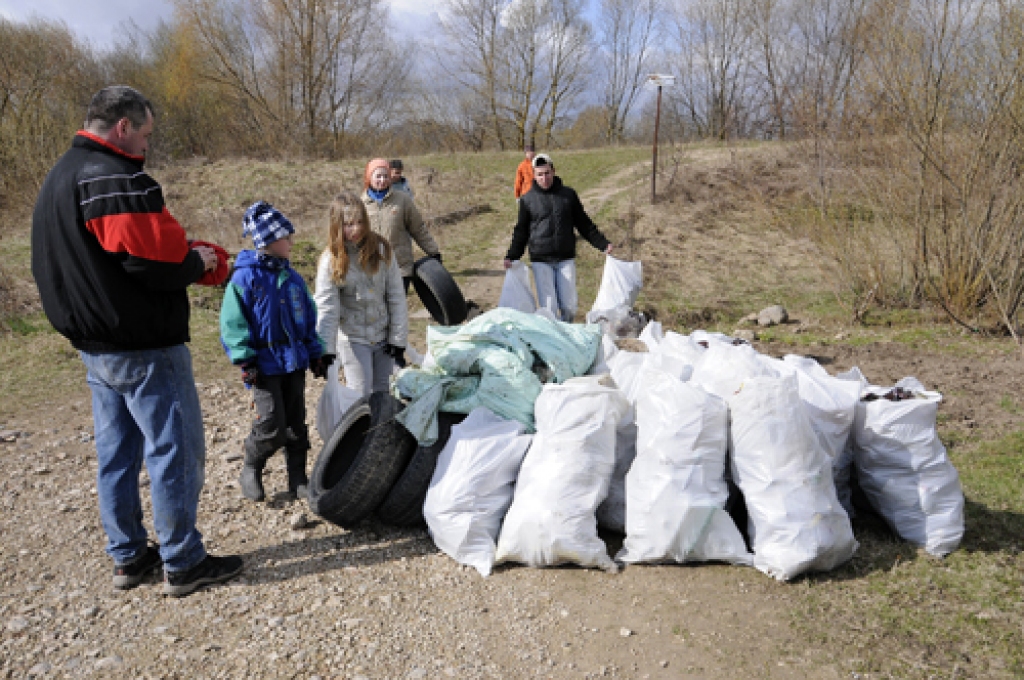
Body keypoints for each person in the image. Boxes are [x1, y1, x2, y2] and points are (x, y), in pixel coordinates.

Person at [30, 85, 243, 597]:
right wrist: (201, 262)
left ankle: (128, 557)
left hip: (93, 344)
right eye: (145, 134)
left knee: (117, 453)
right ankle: (184, 561)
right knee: (174, 448)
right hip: (142, 343)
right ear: (123, 127)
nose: (147, 145)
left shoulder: (58, 177)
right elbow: (149, 261)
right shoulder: (115, 178)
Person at [220, 201, 328, 503]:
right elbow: (232, 321)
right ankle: (251, 466)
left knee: (296, 424)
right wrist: (245, 358)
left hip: (293, 361)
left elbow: (308, 318)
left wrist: (315, 353)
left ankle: (298, 479)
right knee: (271, 424)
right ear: (268, 242)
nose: (292, 243)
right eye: (286, 238)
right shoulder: (245, 278)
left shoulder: (293, 279)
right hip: (264, 365)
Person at [315, 192, 409, 395]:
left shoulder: (382, 249)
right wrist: (325, 351)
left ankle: (382, 427)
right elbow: (327, 309)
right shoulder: (330, 261)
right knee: (361, 393)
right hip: (354, 338)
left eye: (359, 222)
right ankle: (361, 427)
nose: (356, 229)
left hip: (383, 335)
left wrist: (398, 339)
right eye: (348, 224)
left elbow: (396, 296)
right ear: (337, 227)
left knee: (384, 392)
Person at [504, 153, 614, 323]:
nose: (544, 178)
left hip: (565, 258)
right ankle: (555, 342)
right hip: (541, 260)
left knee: (569, 307)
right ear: (534, 175)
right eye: (540, 174)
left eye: (547, 173)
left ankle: (566, 332)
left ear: (553, 171)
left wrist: (603, 244)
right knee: (549, 308)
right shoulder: (528, 200)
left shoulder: (568, 196)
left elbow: (584, 223)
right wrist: (512, 256)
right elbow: (521, 232)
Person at [362, 158, 441, 290]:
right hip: (373, 270)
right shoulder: (360, 205)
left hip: (400, 267)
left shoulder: (403, 199)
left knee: (398, 309)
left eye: (386, 176)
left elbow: (418, 228)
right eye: (378, 176)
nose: (382, 180)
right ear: (369, 177)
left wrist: (433, 251)